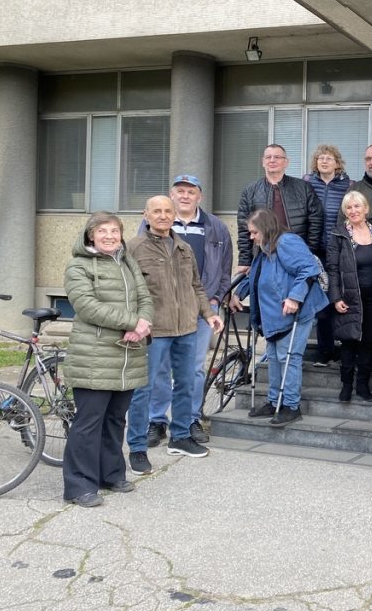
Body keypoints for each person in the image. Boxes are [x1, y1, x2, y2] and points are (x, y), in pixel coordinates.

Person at [62, 212, 153, 507]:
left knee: (115, 419)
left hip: (128, 353)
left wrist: (143, 324)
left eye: (115, 231)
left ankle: (111, 474)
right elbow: (86, 306)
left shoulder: (128, 262)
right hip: (95, 354)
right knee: (89, 422)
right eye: (103, 231)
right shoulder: (78, 266)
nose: (110, 236)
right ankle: (79, 486)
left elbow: (145, 298)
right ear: (90, 235)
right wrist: (131, 322)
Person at [127, 196, 223, 473]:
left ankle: (180, 437)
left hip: (187, 329)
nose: (163, 215)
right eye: (156, 211)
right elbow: (127, 291)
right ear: (146, 215)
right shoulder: (134, 247)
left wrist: (208, 314)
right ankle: (137, 448)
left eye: (167, 211)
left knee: (186, 384)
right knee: (143, 390)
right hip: (153, 330)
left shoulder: (183, 247)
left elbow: (196, 285)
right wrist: (133, 322)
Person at [145, 175, 232, 448]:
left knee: (192, 368)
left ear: (199, 197)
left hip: (200, 308)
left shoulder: (215, 227)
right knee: (159, 367)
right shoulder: (152, 225)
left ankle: (190, 419)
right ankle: (157, 420)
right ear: (172, 195)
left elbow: (225, 268)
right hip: (162, 309)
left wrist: (217, 299)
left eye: (190, 192)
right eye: (180, 191)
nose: (185, 196)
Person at [231, 209, 329, 427]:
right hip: (274, 314)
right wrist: (239, 293)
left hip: (295, 312)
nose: (251, 237)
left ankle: (292, 406)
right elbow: (256, 277)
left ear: (266, 228)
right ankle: (274, 400)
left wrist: (294, 297)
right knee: (275, 358)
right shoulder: (265, 249)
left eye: (254, 232)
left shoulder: (286, 242)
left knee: (289, 357)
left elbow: (309, 268)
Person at [326, 191, 372, 402]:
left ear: (366, 209)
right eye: (349, 208)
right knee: (349, 342)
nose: (353, 211)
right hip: (348, 298)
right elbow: (331, 268)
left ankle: (363, 386)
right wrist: (335, 298)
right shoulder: (339, 235)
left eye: (357, 206)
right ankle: (347, 385)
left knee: (368, 343)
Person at [237, 144, 322, 271]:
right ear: (263, 162)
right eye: (268, 157)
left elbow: (316, 221)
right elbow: (244, 228)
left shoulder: (303, 188)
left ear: (286, 162)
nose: (272, 160)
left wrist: (308, 251)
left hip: (296, 255)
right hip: (263, 256)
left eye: (277, 157)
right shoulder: (250, 191)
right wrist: (245, 260)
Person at [304, 144, 352, 367]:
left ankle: (345, 347)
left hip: (339, 250)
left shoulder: (347, 185)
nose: (324, 161)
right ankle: (325, 350)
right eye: (321, 158)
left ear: (337, 163)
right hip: (314, 251)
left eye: (329, 158)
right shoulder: (307, 183)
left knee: (338, 297)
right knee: (321, 301)